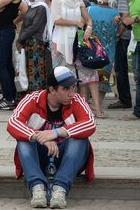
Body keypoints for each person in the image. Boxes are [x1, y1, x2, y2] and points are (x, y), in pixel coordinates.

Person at [7, 66, 96, 209]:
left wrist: (57, 133)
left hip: (68, 159)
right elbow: (12, 123)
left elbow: (90, 124)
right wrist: (37, 136)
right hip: (40, 157)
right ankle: (37, 189)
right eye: (66, 88)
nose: (72, 93)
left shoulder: (76, 100)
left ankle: (59, 189)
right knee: (24, 140)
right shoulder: (33, 99)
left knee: (79, 139)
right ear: (52, 90)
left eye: (74, 87)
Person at [87, 0, 119, 118]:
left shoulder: (89, 10)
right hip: (108, 50)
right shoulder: (116, 14)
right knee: (103, 78)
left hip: (91, 49)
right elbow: (119, 32)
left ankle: (90, 105)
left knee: (89, 77)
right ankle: (98, 105)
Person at [17, 0, 52, 93]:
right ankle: (31, 94)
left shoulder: (41, 7)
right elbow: (25, 24)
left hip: (36, 43)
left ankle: (37, 94)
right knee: (27, 69)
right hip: (28, 42)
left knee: (36, 69)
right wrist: (21, 39)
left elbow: (34, 26)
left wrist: (20, 38)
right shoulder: (32, 6)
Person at [105, 0, 132, 110]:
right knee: (119, 68)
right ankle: (123, 98)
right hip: (119, 36)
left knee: (121, 68)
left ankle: (125, 100)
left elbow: (124, 15)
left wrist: (117, 35)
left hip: (122, 36)